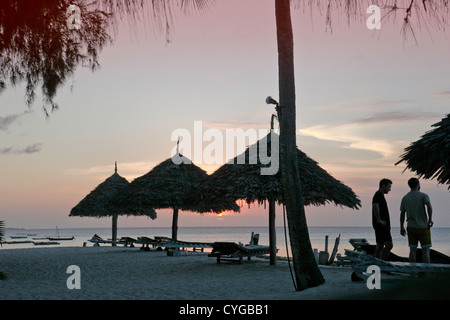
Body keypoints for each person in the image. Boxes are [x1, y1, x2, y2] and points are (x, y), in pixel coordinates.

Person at [400, 178, 433, 263]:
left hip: (410, 226)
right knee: (425, 250)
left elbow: (402, 213)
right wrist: (430, 219)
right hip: (422, 226)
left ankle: (413, 273)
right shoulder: (423, 195)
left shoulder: (405, 198)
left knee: (412, 250)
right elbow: (429, 206)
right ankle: (427, 273)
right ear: (418, 184)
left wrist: (401, 227)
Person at [372, 178, 393, 260]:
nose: (390, 189)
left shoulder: (379, 195)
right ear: (383, 186)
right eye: (389, 187)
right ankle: (382, 263)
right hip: (382, 224)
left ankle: (378, 263)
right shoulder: (378, 194)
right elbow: (375, 206)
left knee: (380, 245)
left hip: (381, 224)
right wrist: (379, 219)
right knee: (389, 245)